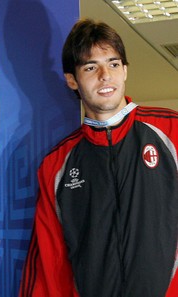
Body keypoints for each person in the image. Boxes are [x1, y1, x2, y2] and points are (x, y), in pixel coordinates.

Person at [19, 18, 178, 297]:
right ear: (72, 80)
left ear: (125, 70)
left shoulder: (171, 131)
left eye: (113, 64)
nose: (105, 75)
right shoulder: (57, 164)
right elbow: (49, 261)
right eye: (91, 67)